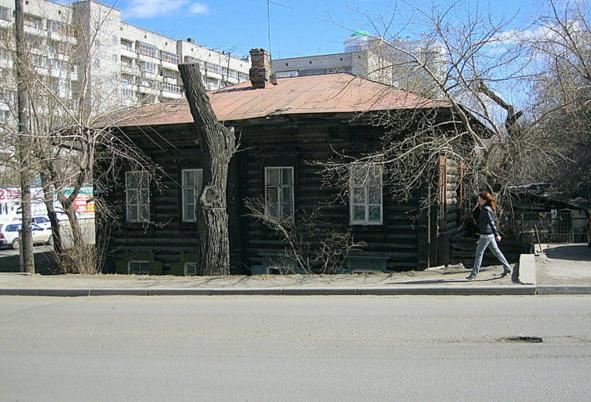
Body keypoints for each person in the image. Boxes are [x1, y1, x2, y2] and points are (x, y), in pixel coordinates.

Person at [466, 191, 512, 280]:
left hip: (486, 235)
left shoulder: (486, 209)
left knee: (479, 254)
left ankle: (473, 275)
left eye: (480, 199)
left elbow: (491, 222)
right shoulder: (488, 208)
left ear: (484, 200)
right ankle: (507, 268)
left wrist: (497, 234)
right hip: (489, 235)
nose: (479, 201)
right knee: (496, 252)